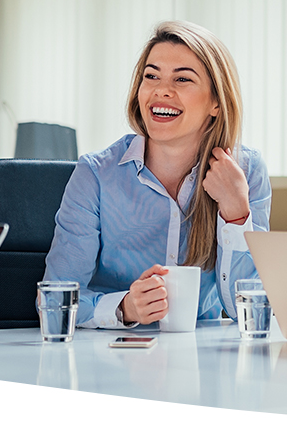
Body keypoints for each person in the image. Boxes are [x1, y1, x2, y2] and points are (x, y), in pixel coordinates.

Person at [45, 21, 271, 328]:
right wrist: (124, 308)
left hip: (201, 360)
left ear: (216, 102)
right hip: (109, 359)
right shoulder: (96, 175)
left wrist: (235, 213)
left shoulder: (246, 172)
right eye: (151, 76)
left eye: (182, 79)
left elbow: (246, 311)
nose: (161, 90)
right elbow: (56, 297)